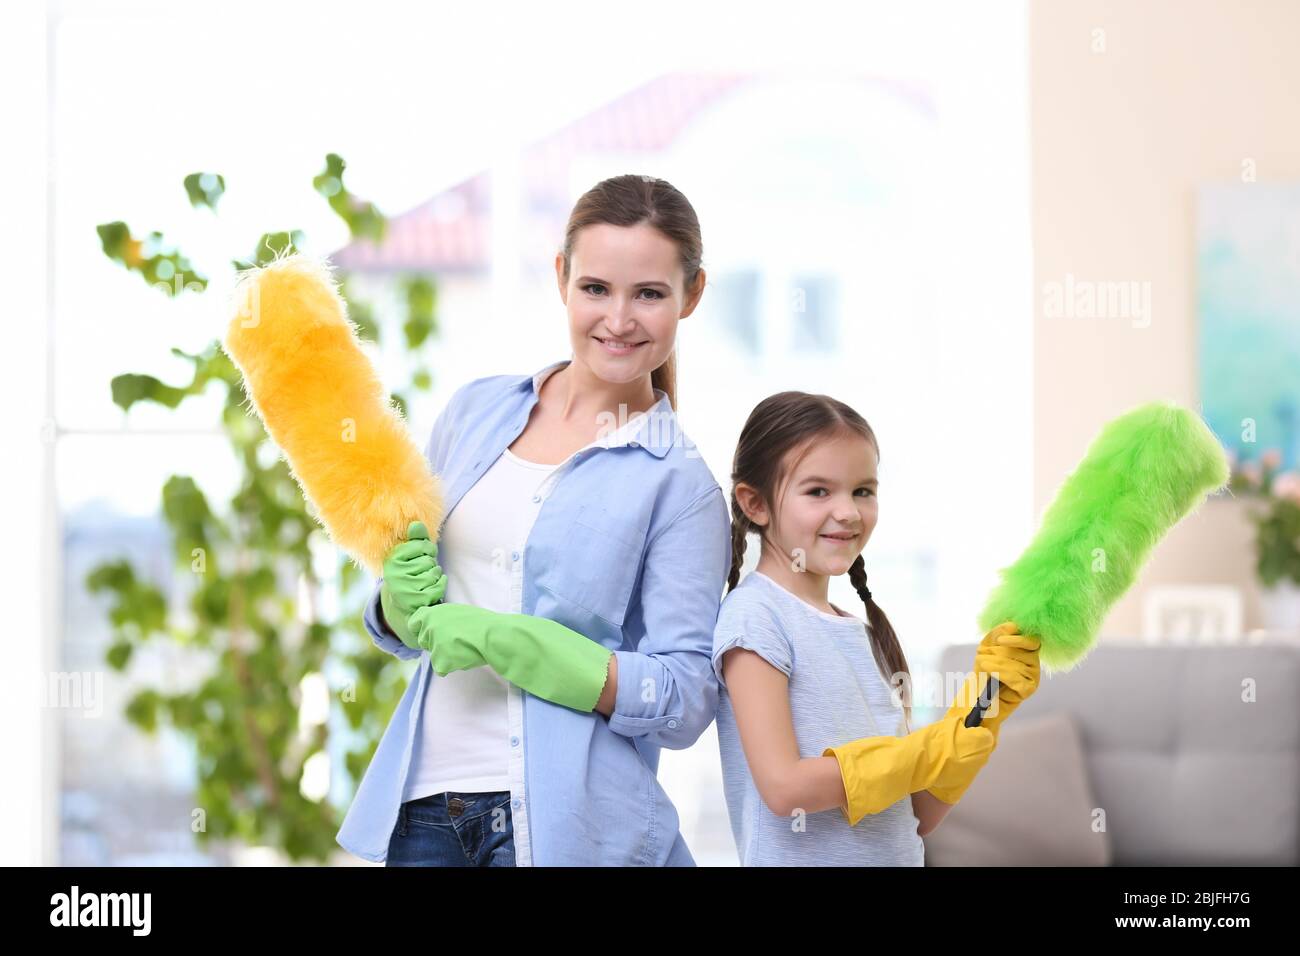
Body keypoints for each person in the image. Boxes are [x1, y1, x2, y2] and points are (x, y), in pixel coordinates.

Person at [335, 174, 731, 866]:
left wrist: (540, 654)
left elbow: (686, 697)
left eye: (650, 294)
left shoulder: (680, 486)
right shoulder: (473, 414)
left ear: (691, 295)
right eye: (597, 288)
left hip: (569, 828)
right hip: (425, 808)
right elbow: (420, 614)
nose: (619, 319)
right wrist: (396, 607)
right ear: (561, 277)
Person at [713, 390, 1041, 865]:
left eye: (862, 490)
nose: (848, 511)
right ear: (755, 503)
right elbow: (784, 788)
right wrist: (924, 752)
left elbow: (918, 815)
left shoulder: (865, 632)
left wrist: (980, 713)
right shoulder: (756, 617)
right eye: (818, 491)